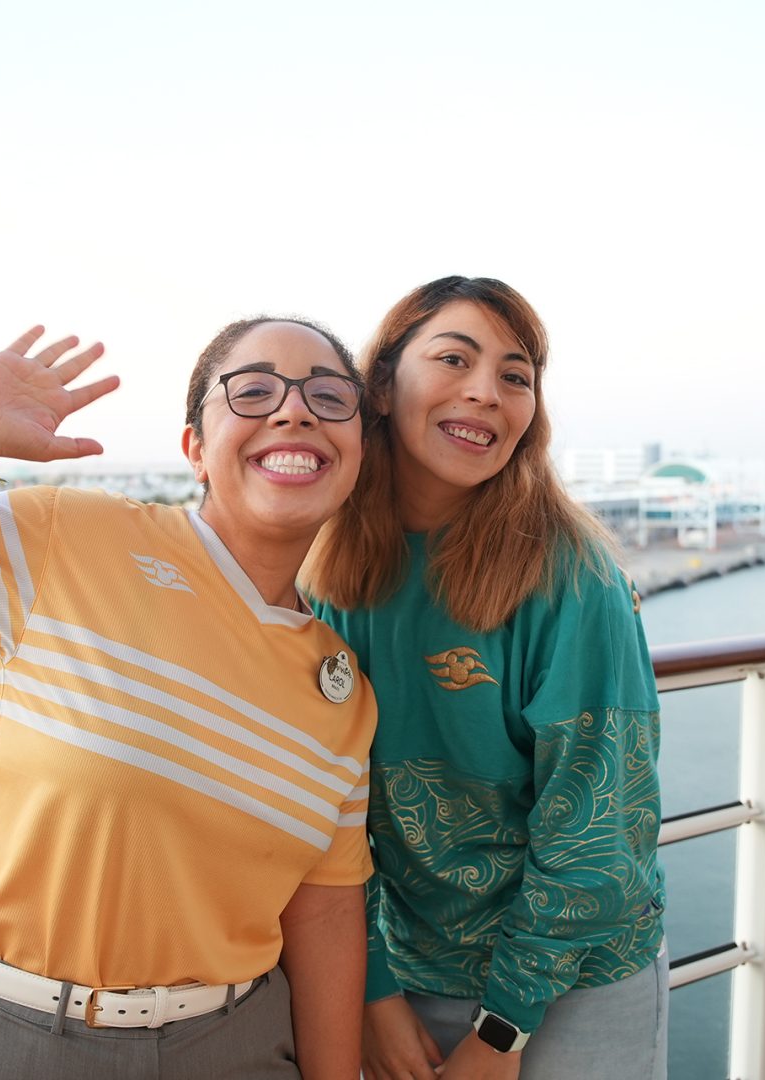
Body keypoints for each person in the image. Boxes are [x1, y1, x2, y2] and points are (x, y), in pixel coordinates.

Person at [0, 318, 377, 1079]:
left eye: (329, 397)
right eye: (253, 390)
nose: (294, 412)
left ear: (356, 452)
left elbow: (322, 910)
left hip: (231, 1046)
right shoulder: (73, 534)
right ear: (194, 448)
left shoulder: (341, 689)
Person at [304, 276, 667, 1080]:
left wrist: (501, 1031)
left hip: (568, 983)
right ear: (382, 383)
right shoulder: (323, 565)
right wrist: (370, 987)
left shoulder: (571, 577)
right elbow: (318, 804)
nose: (485, 392)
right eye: (453, 358)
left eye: (515, 375)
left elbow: (596, 826)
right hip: (398, 973)